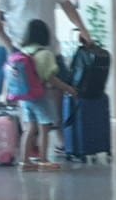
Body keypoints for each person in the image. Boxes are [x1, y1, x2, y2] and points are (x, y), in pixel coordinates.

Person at [7, 19, 75, 171]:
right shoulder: (45, 54)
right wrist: (68, 88)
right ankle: (43, 161)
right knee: (45, 127)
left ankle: (25, 162)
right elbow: (50, 78)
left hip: (24, 98)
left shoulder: (22, 52)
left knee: (29, 129)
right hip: (40, 97)